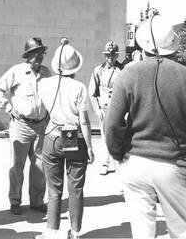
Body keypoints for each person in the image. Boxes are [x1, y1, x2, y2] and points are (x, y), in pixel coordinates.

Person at [105, 16, 186, 239]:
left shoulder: (128, 74)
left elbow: (111, 124)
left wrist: (118, 154)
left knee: (142, 232)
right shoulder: (183, 75)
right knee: (181, 230)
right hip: (172, 163)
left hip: (135, 162)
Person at [36, 40, 94, 239]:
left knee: (54, 189)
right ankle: (75, 232)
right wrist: (90, 147)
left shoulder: (44, 84)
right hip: (73, 137)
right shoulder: (79, 87)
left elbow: (41, 109)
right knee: (76, 187)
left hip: (52, 136)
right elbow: (84, 121)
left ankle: (51, 232)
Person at [0, 37, 50, 215]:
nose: (38, 57)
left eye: (40, 53)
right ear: (27, 56)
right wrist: (8, 107)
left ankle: (37, 201)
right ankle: (15, 201)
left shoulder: (48, 73)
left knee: (39, 165)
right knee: (17, 166)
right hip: (21, 125)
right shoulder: (16, 71)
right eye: (34, 54)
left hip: (41, 125)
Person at [88, 41, 122, 175]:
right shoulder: (98, 70)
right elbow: (93, 92)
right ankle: (104, 162)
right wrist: (97, 108)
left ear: (116, 55)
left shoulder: (123, 69)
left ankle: (118, 162)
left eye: (113, 55)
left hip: (120, 108)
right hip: (105, 108)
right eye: (107, 55)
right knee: (105, 136)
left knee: (119, 136)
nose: (110, 58)